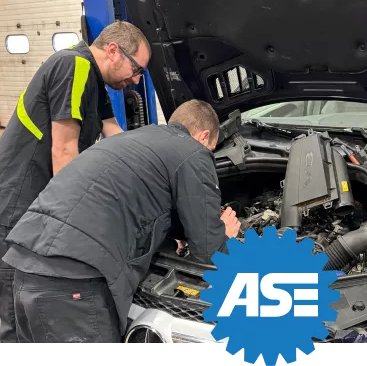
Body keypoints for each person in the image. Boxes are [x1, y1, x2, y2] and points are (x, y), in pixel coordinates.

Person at [2, 99, 241, 343]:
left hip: (23, 264)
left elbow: (126, 199)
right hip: (72, 280)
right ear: (203, 136)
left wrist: (173, 233)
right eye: (210, 148)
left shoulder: (133, 140)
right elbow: (210, 252)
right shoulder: (193, 152)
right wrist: (226, 235)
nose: (208, 154)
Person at [0, 20, 151, 342]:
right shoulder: (74, 65)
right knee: (14, 309)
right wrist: (75, 222)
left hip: (35, 197)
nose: (136, 80)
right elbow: (64, 150)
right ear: (113, 50)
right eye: (136, 68)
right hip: (18, 200)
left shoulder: (94, 77)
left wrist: (153, 168)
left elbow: (113, 133)